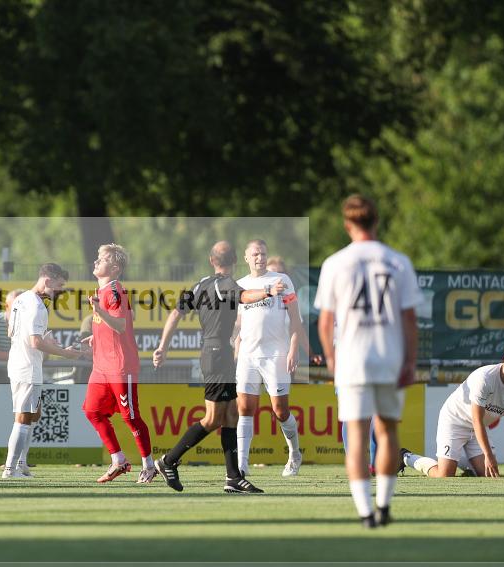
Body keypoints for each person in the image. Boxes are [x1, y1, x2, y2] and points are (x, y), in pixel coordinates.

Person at [314, 194, 421, 528]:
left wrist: (331, 359)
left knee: (357, 436)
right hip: (389, 356)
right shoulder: (398, 261)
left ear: (347, 225)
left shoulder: (335, 263)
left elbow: (325, 322)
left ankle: (364, 512)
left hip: (352, 359)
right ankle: (385, 506)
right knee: (388, 431)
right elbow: (409, 320)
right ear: (377, 221)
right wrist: (410, 362)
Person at [153, 241, 278, 493]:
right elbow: (245, 296)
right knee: (212, 419)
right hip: (217, 354)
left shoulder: (202, 284)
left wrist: (163, 346)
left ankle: (233, 478)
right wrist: (268, 291)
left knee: (231, 414)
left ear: (212, 261)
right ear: (234, 261)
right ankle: (168, 461)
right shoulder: (227, 284)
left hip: (217, 353)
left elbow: (176, 313)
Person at [402, 339, 504, 479]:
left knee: (490, 476)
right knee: (444, 475)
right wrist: (488, 455)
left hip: (478, 427)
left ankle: (467, 465)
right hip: (455, 421)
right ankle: (405, 456)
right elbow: (477, 420)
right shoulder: (485, 378)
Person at [82, 243, 156, 484]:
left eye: (101, 259)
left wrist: (99, 312)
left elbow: (122, 324)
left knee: (130, 416)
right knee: (92, 411)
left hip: (120, 366)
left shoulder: (115, 292)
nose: (96, 262)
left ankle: (149, 466)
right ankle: (119, 460)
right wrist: (96, 336)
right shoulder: (102, 292)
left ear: (114, 268)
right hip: (101, 366)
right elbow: (116, 325)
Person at [235, 239, 308, 482]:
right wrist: (235, 343)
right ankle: (242, 465)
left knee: (280, 410)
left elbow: (295, 321)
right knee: (245, 408)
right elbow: (237, 322)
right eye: (255, 254)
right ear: (246, 257)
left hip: (276, 354)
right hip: (248, 354)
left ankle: (294, 454)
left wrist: (293, 350)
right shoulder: (240, 285)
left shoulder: (282, 281)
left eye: (263, 253)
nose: (260, 257)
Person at [3, 264, 86, 479]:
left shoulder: (20, 299)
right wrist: (64, 353)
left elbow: (12, 331)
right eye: (59, 285)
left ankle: (21, 464)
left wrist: (45, 339)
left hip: (19, 362)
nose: (60, 291)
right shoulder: (37, 305)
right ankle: (10, 470)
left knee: (33, 414)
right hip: (27, 366)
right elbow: (35, 342)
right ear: (48, 280)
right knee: (22, 417)